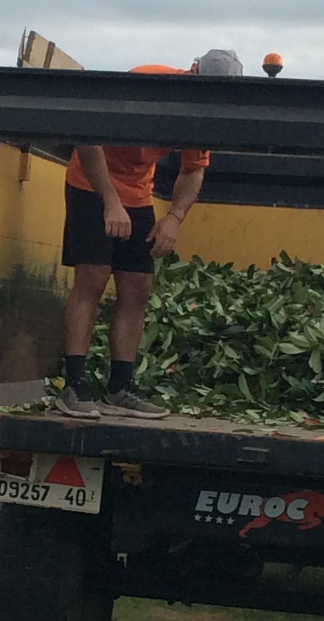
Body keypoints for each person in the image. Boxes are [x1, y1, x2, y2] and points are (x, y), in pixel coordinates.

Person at [58, 49, 243, 418]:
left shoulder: (203, 117)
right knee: (93, 278)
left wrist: (173, 217)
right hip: (91, 184)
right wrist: (109, 200)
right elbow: (86, 134)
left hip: (138, 194)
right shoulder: (146, 81)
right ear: (192, 72)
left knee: (138, 286)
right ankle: (74, 384)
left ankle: (120, 387)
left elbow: (193, 171)